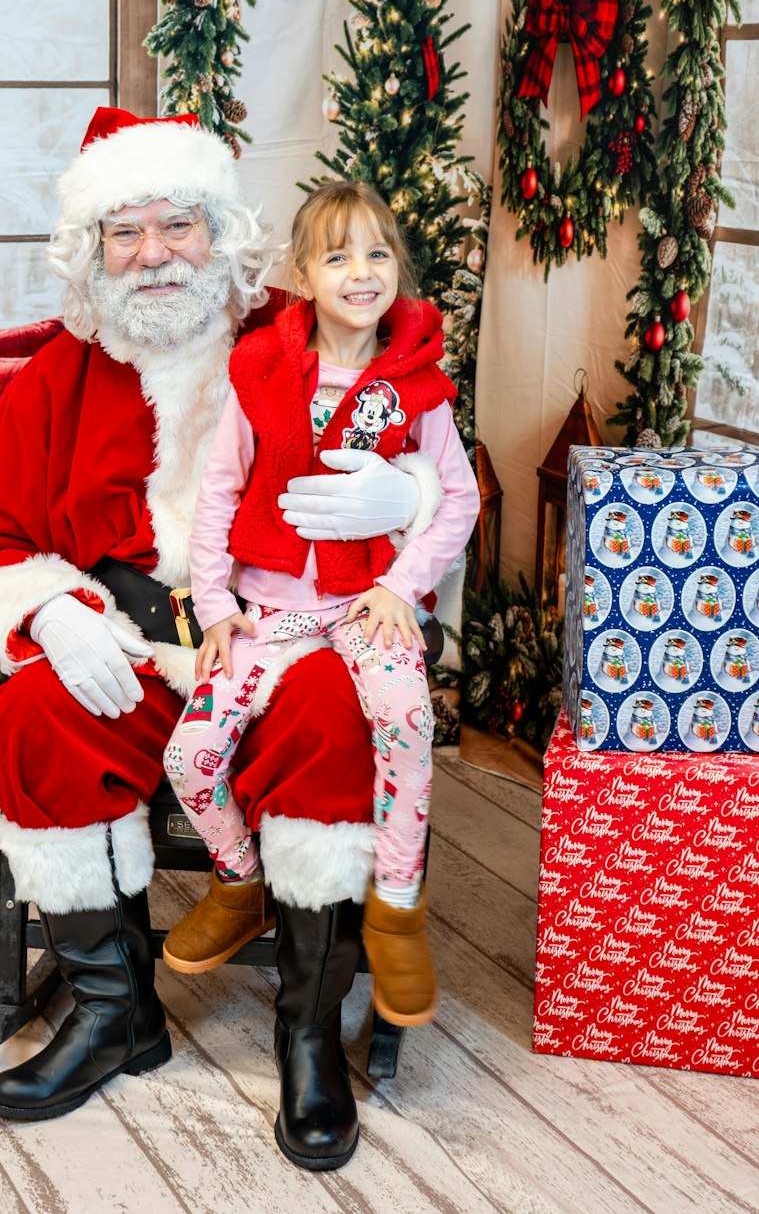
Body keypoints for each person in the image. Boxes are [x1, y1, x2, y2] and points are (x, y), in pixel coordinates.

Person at [0, 109, 446, 1170]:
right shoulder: (55, 375)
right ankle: (111, 1009)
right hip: (123, 648)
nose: (153, 254)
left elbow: (439, 444)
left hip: (280, 636)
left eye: (176, 224)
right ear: (91, 254)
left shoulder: (303, 337)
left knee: (327, 706)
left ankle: (306, 1025)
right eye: (124, 234)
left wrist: (392, 493)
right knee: (33, 712)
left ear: (221, 235)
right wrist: (45, 612)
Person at [159, 182, 480, 1033]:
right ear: (304, 274)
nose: (361, 270)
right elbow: (218, 491)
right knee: (189, 756)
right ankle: (240, 882)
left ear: (398, 271)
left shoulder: (416, 387)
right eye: (338, 254)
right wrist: (218, 603)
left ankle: (397, 908)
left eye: (378, 252)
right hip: (267, 612)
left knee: (409, 721)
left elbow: (459, 498)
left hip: (362, 609)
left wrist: (399, 585)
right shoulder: (263, 373)